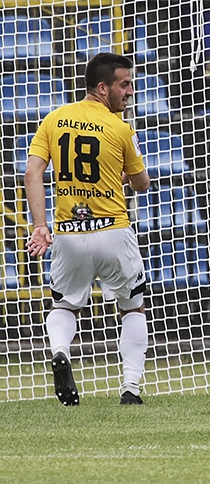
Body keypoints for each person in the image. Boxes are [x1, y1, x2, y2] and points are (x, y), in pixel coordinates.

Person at [24, 52, 152, 406]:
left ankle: (61, 351)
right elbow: (141, 183)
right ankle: (130, 389)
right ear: (102, 87)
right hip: (113, 231)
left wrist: (40, 226)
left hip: (69, 235)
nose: (130, 92)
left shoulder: (54, 119)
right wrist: (124, 174)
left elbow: (32, 174)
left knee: (65, 305)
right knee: (132, 308)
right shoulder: (120, 128)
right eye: (124, 84)